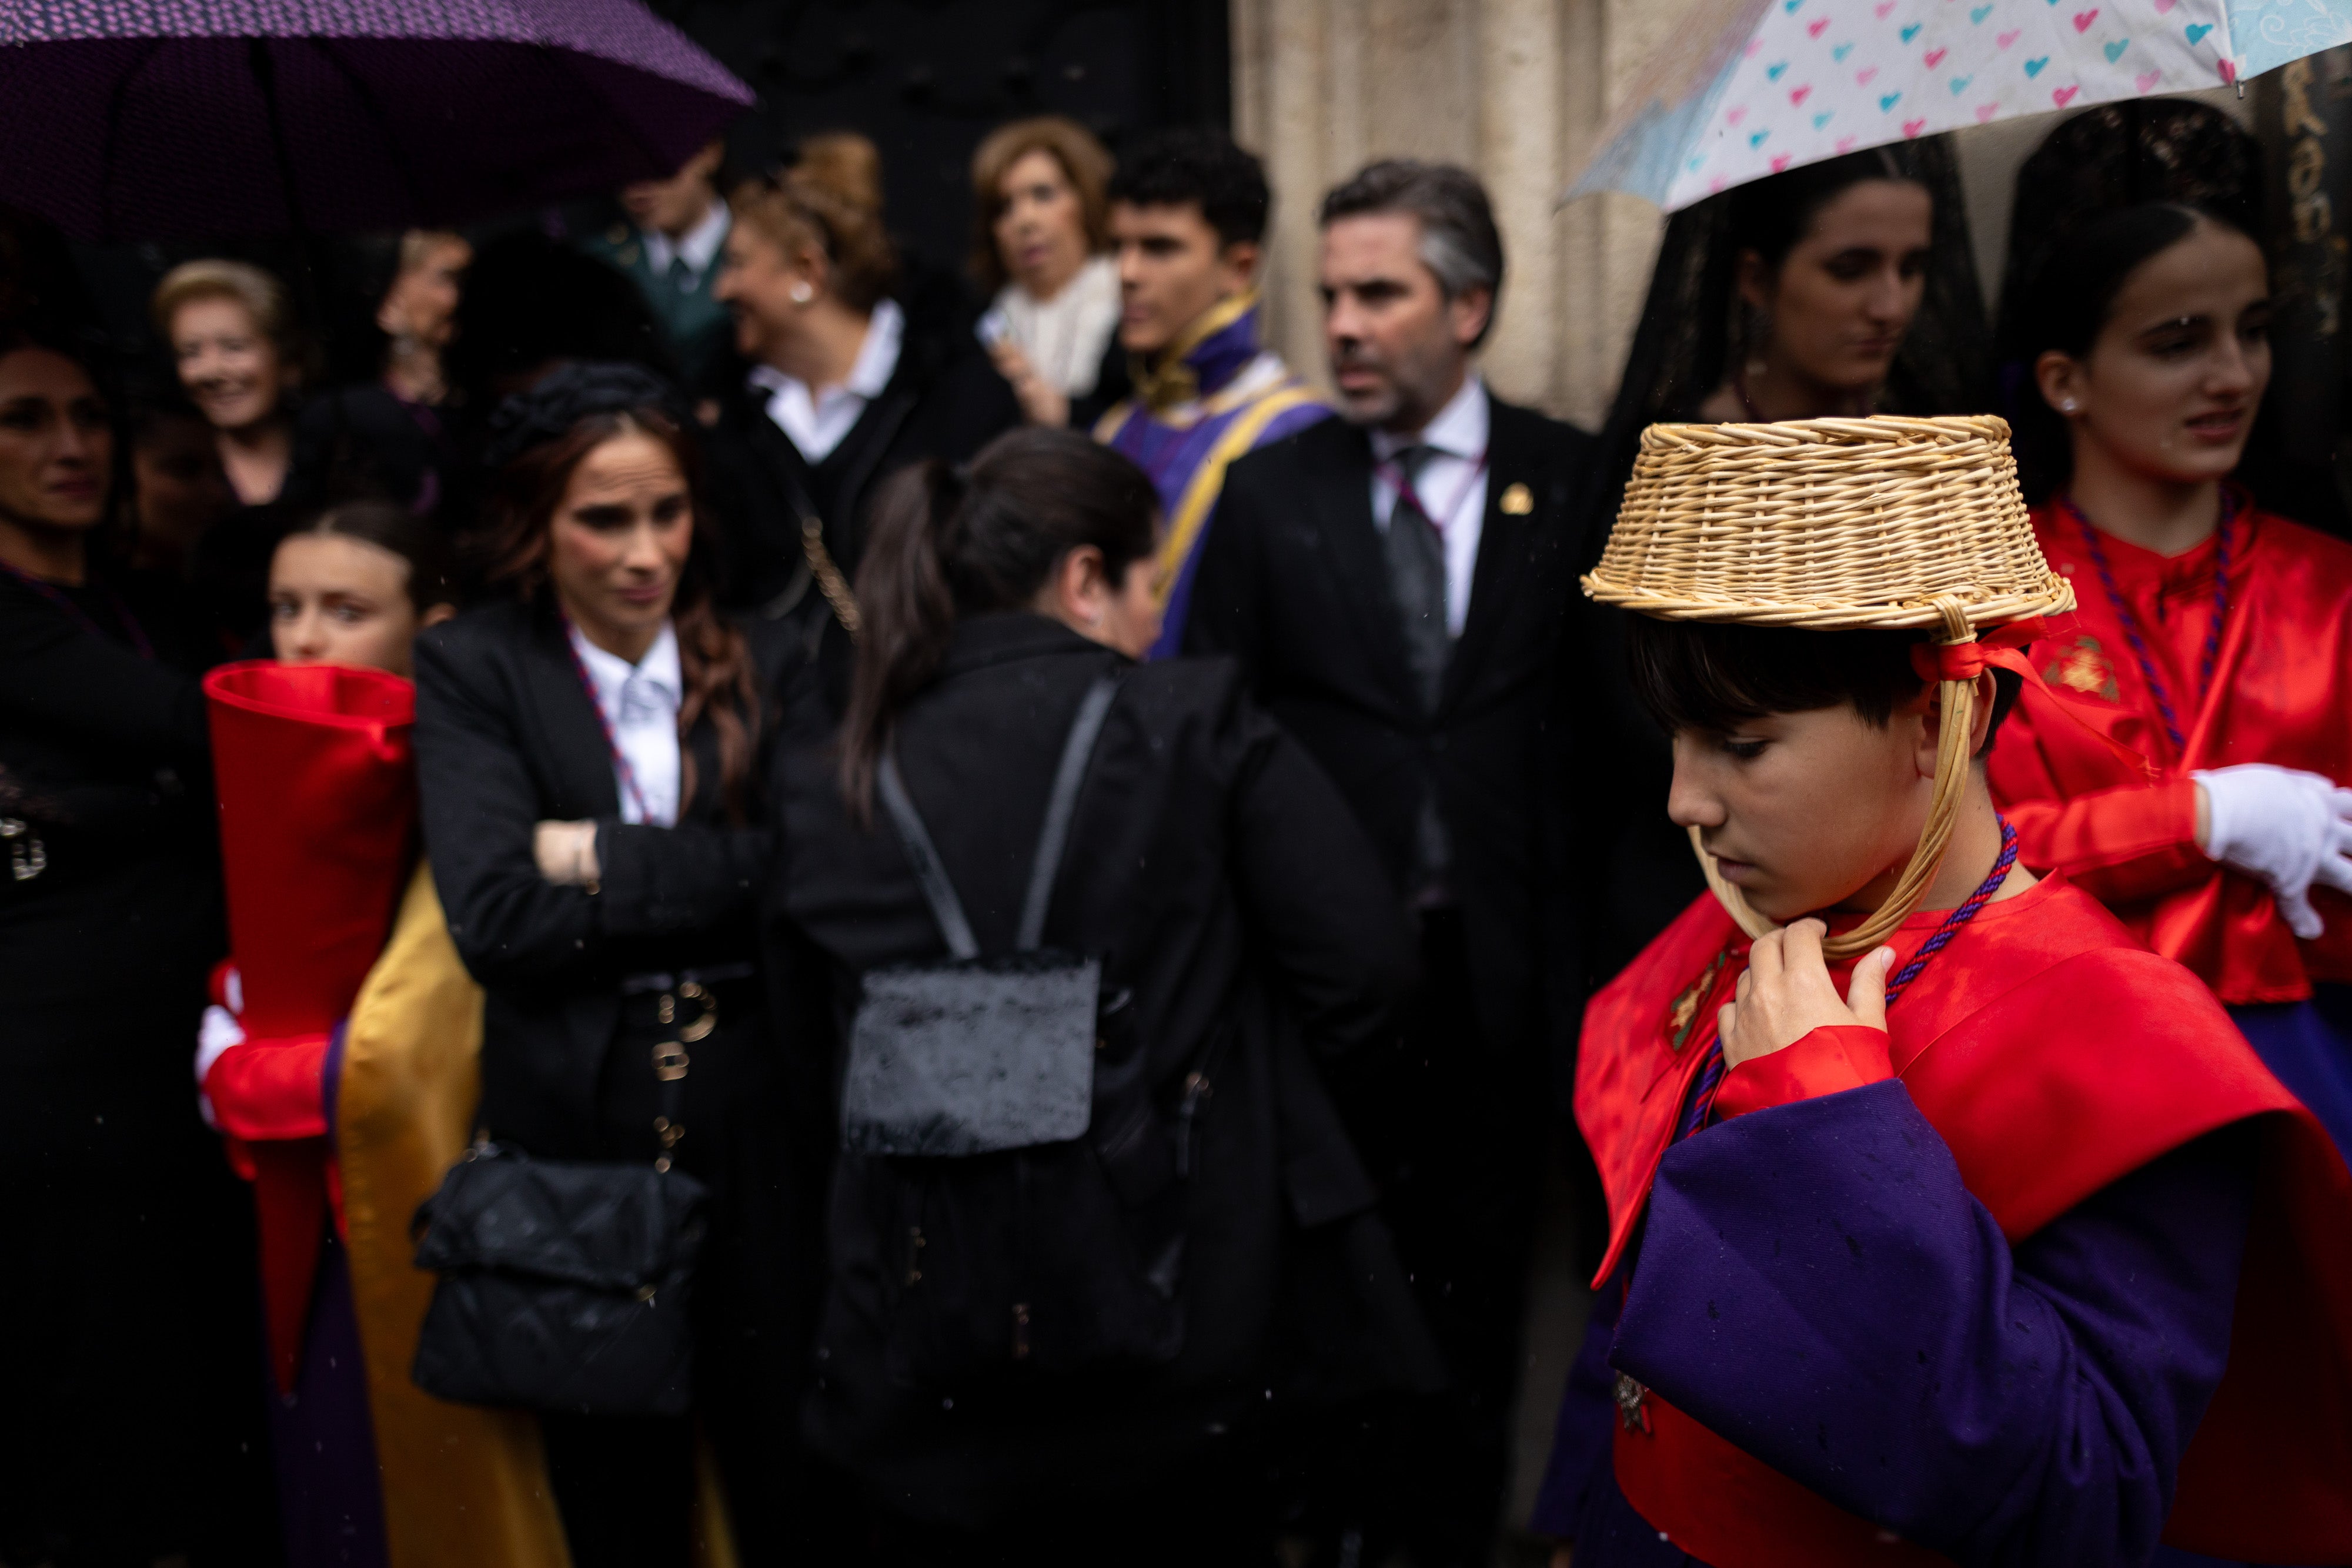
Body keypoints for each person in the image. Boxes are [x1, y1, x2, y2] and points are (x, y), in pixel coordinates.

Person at [1539, 413, 2352, 1567]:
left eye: (1738, 742)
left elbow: (2081, 1493)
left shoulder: (2124, 1048)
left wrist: (1829, 1121)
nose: (1684, 800)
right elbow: (1637, 1300)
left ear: (1932, 720)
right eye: (1675, 739)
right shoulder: (1748, 936)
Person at [770, 426, 1436, 1563]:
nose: (1151, 627)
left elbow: (806, 1068)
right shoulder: (1191, 722)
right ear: (1085, 579)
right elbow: (1366, 973)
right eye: (1151, 593)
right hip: (1185, 1346)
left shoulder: (831, 770)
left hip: (921, 1356)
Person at [1182, 159, 1596, 1567]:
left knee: (1479, 1301)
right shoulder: (1268, 493)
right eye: (1330, 298)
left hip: (1507, 988)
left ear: (1467, 305)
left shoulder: (1570, 476)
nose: (1345, 327)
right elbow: (1213, 740)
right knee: (1330, 1297)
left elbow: (1610, 750)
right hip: (1325, 997)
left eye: (1380, 294)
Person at [412, 363, 814, 1567]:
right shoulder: (477, 668)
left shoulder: (776, 657)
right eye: (604, 518)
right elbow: (493, 920)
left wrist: (597, 858)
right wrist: (717, 875)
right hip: (580, 1116)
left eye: (667, 511)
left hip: (761, 1099)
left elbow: (810, 881)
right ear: (535, 524)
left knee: (790, 1466)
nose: (646, 552)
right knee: (618, 1494)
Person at [1986, 113, 2352, 1167]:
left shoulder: (2331, 592)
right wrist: (2199, 816)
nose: (2234, 375)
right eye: (2178, 341)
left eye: (2255, 328)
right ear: (2064, 379)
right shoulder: (1995, 607)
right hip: (2063, 1106)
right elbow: (1952, 864)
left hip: (2315, 1105)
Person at [0, 320, 277, 1564]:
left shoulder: (153, 599)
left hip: (183, 1049)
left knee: (196, 1381)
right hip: (57, 1067)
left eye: (89, 417)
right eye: (25, 420)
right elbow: (199, 729)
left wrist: (104, 810)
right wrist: (166, 794)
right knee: (94, 1392)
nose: (71, 446)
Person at [196, 501, 459, 1567]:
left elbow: (426, 1037)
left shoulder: (465, 779)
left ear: (430, 629)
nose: (302, 638)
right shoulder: (284, 775)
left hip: (425, 1204)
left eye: (345, 610)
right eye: (285, 609)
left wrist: (242, 1067)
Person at [704, 132, 1020, 626]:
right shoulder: (722, 417)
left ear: (806, 270)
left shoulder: (959, 395)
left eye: (738, 263)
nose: (723, 288)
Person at [1093, 128, 1331, 658]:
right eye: (1119, 248)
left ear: (1238, 267)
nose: (1128, 273)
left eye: (1159, 248)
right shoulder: (1114, 428)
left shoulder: (1300, 430)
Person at [288, 230, 469, 518]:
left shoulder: (478, 405)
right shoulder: (341, 414)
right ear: (389, 296)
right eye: (446, 279)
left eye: (469, 281)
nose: (460, 297)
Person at [969, 116, 1125, 429]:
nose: (1024, 220)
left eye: (1042, 194)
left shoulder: (1130, 297)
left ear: (1087, 201)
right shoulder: (985, 326)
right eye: (1004, 208)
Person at [154, 257, 306, 507]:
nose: (212, 372)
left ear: (282, 353)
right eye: (191, 352)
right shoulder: (172, 473)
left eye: (234, 347)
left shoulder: (332, 455)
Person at [586, 140, 737, 392]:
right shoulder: (600, 264)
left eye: (654, 161)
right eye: (621, 166)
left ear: (708, 152)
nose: (637, 187)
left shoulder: (766, 249)